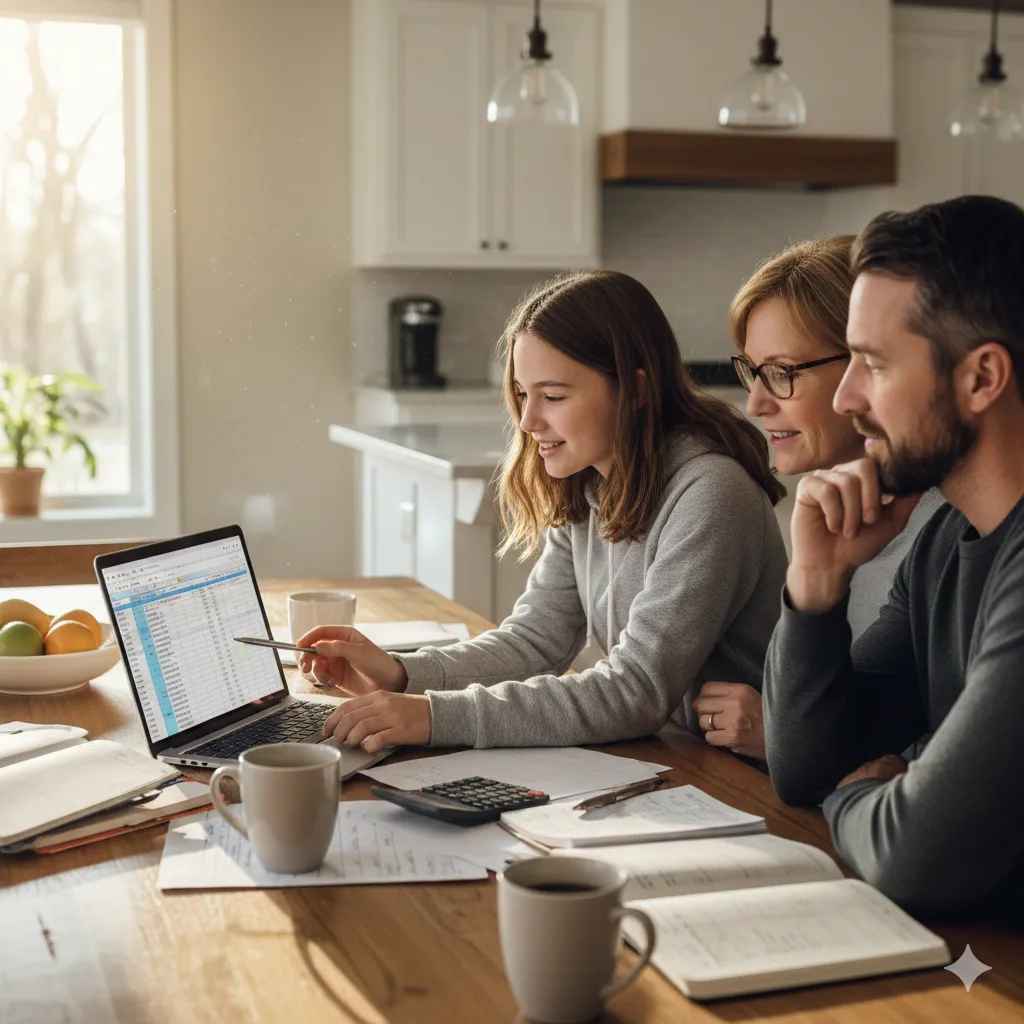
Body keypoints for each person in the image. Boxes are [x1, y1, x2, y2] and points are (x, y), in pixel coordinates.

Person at [299, 270, 788, 752]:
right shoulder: (589, 481)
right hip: (684, 752)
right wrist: (402, 674)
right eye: (522, 395)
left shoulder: (712, 496)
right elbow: (535, 642)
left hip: (750, 776)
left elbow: (634, 691)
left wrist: (432, 716)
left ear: (637, 392)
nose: (529, 421)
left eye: (553, 396)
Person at [764, 195, 1024, 920]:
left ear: (981, 378)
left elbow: (918, 852)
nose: (846, 397)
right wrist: (816, 584)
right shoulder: (947, 539)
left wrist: (854, 797)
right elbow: (804, 767)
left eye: (872, 365)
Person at [694, 239, 944, 761]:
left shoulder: (948, 534)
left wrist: (781, 737)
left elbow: (951, 763)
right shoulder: (831, 513)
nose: (757, 403)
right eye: (752, 373)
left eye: (782, 373)